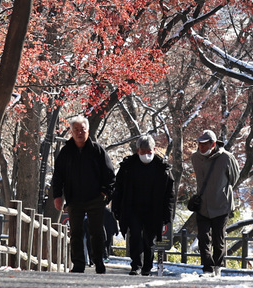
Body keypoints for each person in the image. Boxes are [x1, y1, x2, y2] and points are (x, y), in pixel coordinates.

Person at [49, 116, 116, 274]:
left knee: (96, 232)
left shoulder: (97, 150)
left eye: (82, 130)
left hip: (95, 198)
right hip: (74, 199)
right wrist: (57, 196)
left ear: (88, 131)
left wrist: (105, 194)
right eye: (76, 130)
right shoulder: (66, 152)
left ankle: (99, 261)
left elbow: (110, 175)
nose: (79, 133)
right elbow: (58, 176)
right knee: (76, 233)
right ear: (71, 132)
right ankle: (78, 264)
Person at [113, 135, 173, 276]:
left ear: (154, 149)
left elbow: (169, 195)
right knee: (135, 236)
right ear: (137, 150)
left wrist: (167, 215)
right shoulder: (128, 166)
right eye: (142, 152)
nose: (146, 155)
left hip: (154, 209)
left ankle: (147, 266)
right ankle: (136, 265)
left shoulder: (162, 168)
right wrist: (116, 208)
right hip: (133, 208)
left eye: (149, 152)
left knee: (149, 239)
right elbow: (118, 189)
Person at [190, 129, 238, 274]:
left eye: (205, 144)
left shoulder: (227, 158)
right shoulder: (195, 158)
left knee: (219, 239)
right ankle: (207, 268)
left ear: (213, 144)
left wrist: (221, 190)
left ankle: (218, 266)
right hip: (202, 205)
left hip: (221, 204)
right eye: (200, 144)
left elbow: (234, 178)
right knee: (203, 238)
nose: (201, 147)